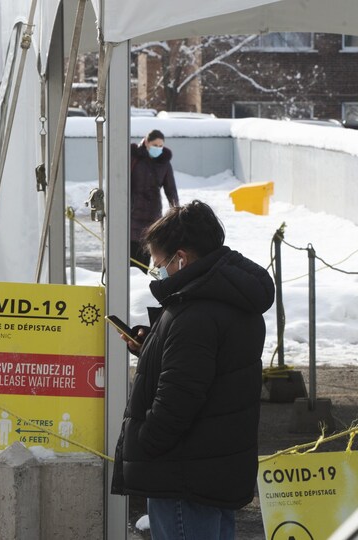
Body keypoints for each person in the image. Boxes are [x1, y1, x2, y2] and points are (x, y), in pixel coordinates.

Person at [110, 200, 275, 540]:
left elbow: (179, 398)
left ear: (181, 258)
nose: (156, 270)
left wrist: (143, 442)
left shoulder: (195, 313)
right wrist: (153, 349)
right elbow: (206, 373)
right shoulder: (232, 300)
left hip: (182, 476)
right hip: (214, 469)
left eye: (159, 263)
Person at [130, 129, 179, 271]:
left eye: (160, 146)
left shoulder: (164, 163)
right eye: (155, 145)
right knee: (132, 258)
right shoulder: (134, 158)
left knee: (145, 256)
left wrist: (175, 211)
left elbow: (171, 190)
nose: (158, 148)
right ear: (146, 142)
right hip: (132, 215)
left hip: (152, 215)